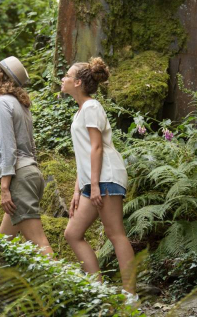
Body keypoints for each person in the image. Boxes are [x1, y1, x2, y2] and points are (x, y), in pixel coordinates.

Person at [60, 57, 138, 304]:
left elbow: (97, 148)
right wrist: (78, 189)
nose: (63, 78)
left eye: (67, 75)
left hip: (106, 177)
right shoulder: (82, 109)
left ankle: (130, 295)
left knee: (115, 233)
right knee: (73, 233)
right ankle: (99, 290)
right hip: (93, 179)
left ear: (78, 82)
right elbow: (83, 154)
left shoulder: (92, 107)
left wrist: (93, 185)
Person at [0, 57, 53, 256]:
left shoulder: (2, 104)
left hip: (19, 178)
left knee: (38, 241)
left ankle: (65, 286)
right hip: (30, 174)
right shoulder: (20, 105)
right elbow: (31, 146)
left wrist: (5, 186)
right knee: (2, 245)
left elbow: (9, 146)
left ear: (4, 77)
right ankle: (1, 286)